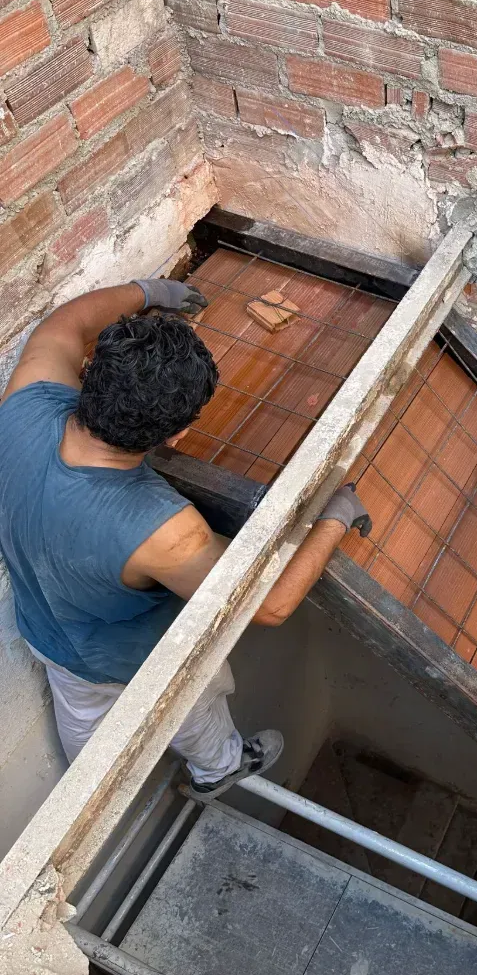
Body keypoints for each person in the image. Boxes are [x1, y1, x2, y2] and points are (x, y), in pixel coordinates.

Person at [0, 277, 372, 801]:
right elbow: (270, 604)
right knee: (196, 699)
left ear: (90, 373)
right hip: (137, 656)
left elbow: (64, 323)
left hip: (49, 637)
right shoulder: (161, 526)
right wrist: (334, 519)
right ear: (173, 436)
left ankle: (87, 797)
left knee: (82, 719)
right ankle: (219, 769)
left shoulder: (25, 404)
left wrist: (146, 292)